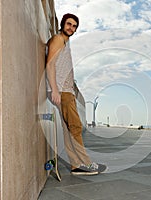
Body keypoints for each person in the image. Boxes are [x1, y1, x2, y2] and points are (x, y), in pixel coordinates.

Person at [46, 13, 105, 175]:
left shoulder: (66, 42)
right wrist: (55, 90)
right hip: (62, 92)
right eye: (69, 24)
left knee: (68, 130)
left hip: (66, 91)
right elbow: (50, 65)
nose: (71, 28)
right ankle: (86, 163)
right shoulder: (58, 39)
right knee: (76, 127)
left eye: (74, 26)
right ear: (63, 24)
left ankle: (75, 165)